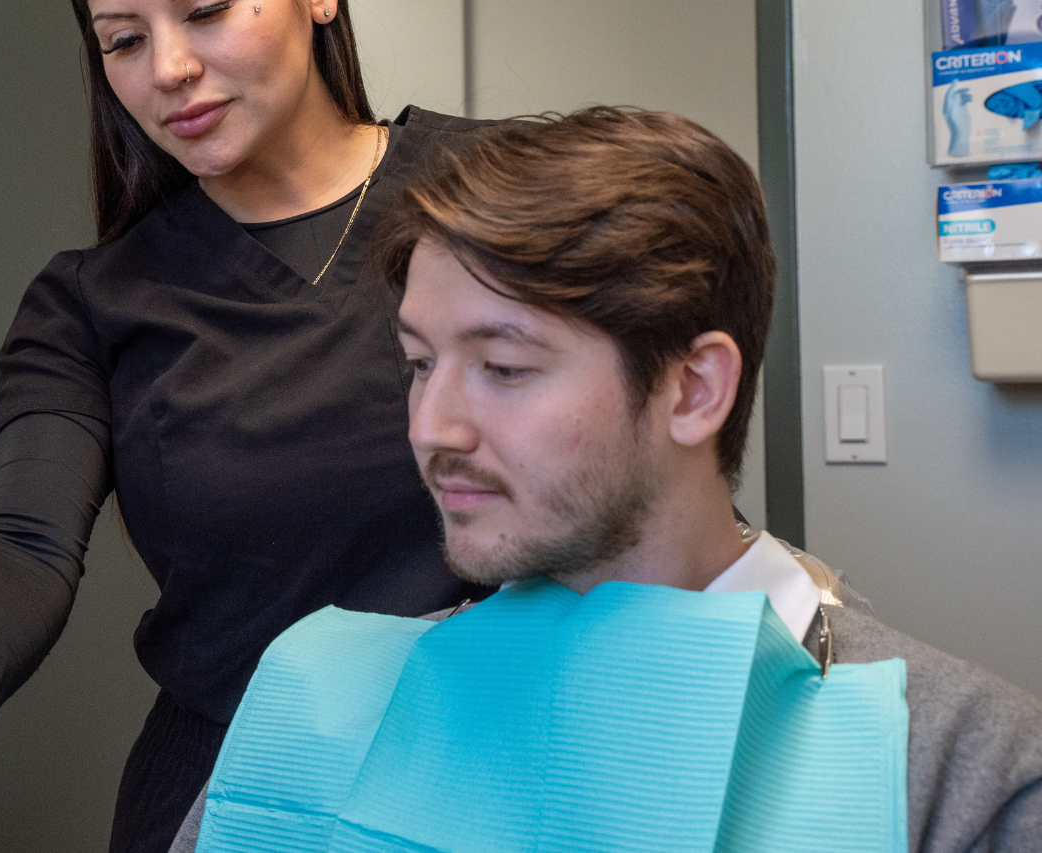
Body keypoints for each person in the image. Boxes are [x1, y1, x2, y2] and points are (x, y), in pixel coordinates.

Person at [175, 107, 1042, 852]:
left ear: (694, 389)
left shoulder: (957, 760)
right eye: (418, 363)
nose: (431, 428)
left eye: (505, 367)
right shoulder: (319, 707)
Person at [0, 3, 500, 851]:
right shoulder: (91, 304)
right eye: (124, 42)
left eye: (205, 11)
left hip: (505, 758)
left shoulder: (506, 186)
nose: (167, 68)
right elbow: (24, 537)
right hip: (233, 796)